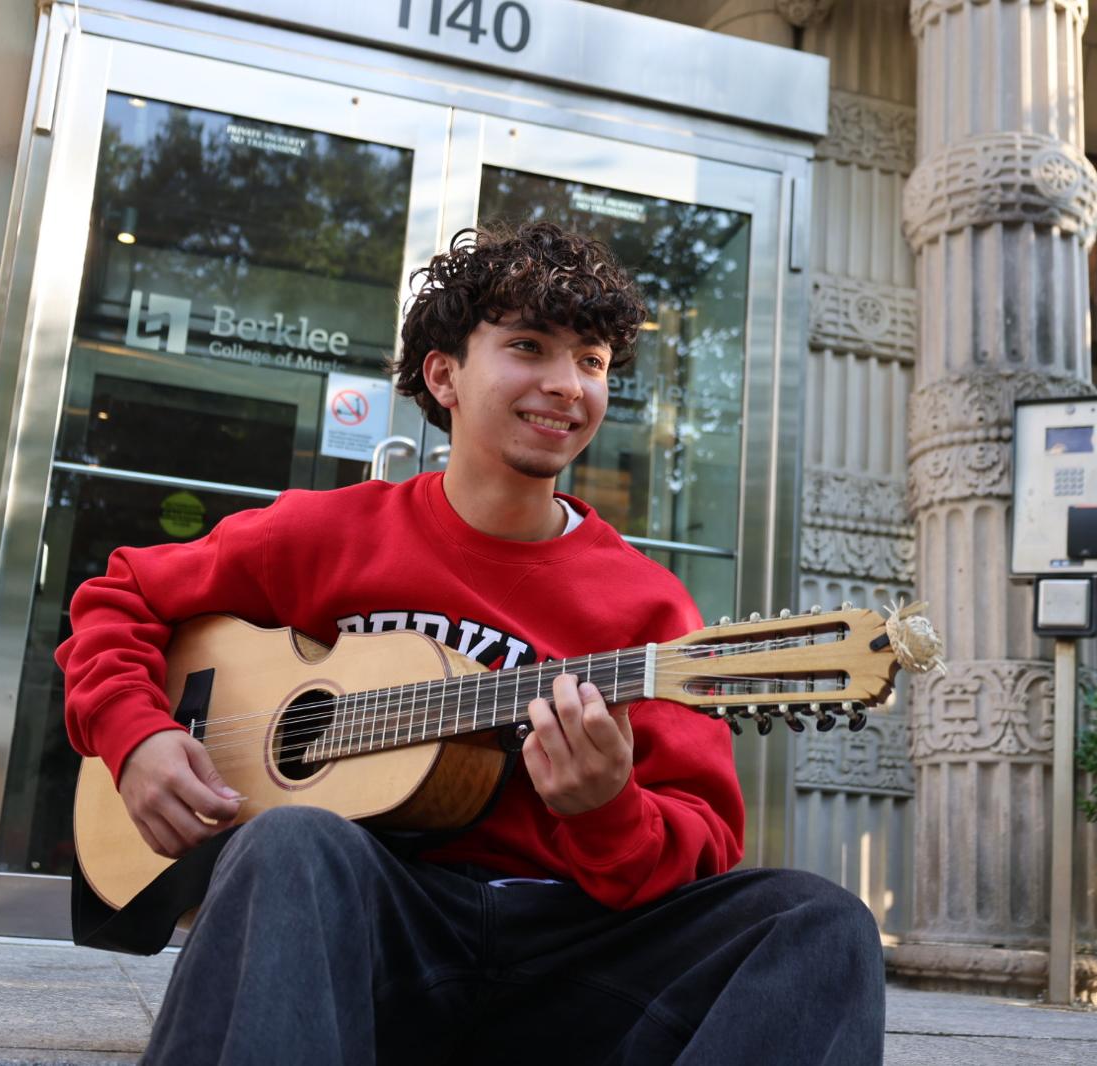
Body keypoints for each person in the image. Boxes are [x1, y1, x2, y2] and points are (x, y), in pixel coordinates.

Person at [57, 221, 885, 1064]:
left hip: (577, 961)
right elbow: (121, 596)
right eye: (530, 347)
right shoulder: (325, 534)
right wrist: (138, 736)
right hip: (371, 941)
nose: (568, 385)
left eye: (592, 361)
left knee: (820, 924)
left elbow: (704, 845)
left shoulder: (648, 610)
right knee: (292, 839)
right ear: (444, 374)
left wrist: (609, 811)